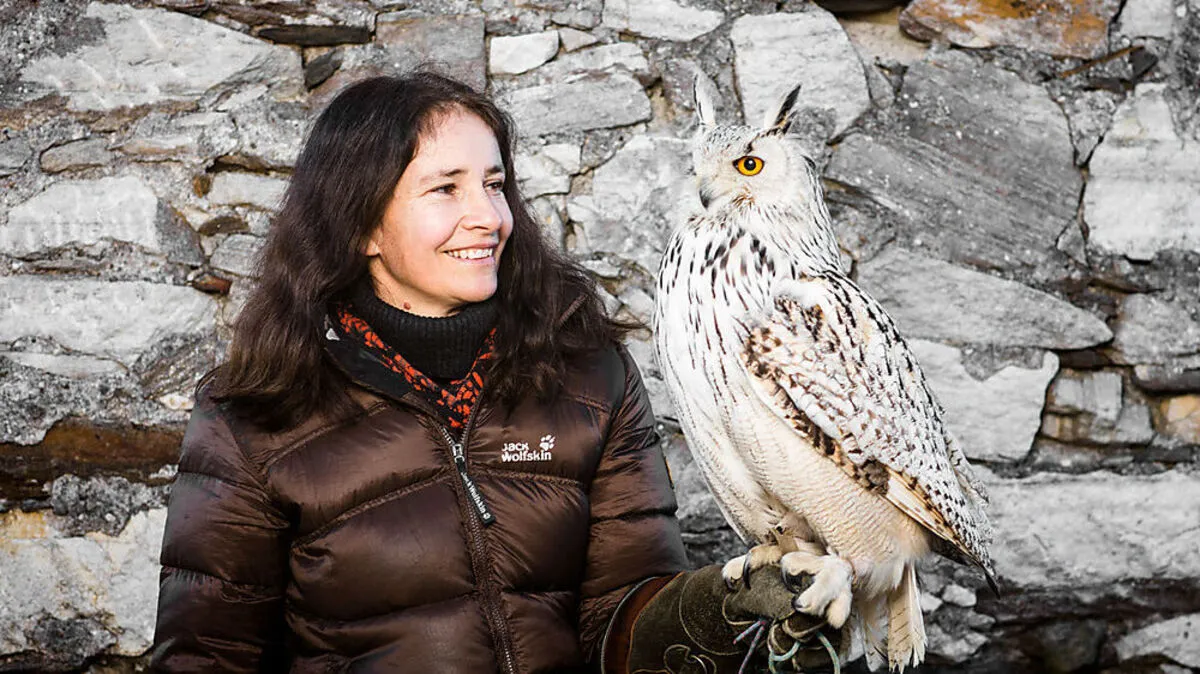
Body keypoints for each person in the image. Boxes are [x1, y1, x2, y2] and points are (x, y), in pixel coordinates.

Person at [150, 72, 834, 673]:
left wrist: (720, 614)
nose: (488, 217)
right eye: (445, 189)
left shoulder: (590, 377)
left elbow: (624, 617)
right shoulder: (255, 413)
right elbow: (208, 657)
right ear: (361, 226)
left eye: (495, 185)